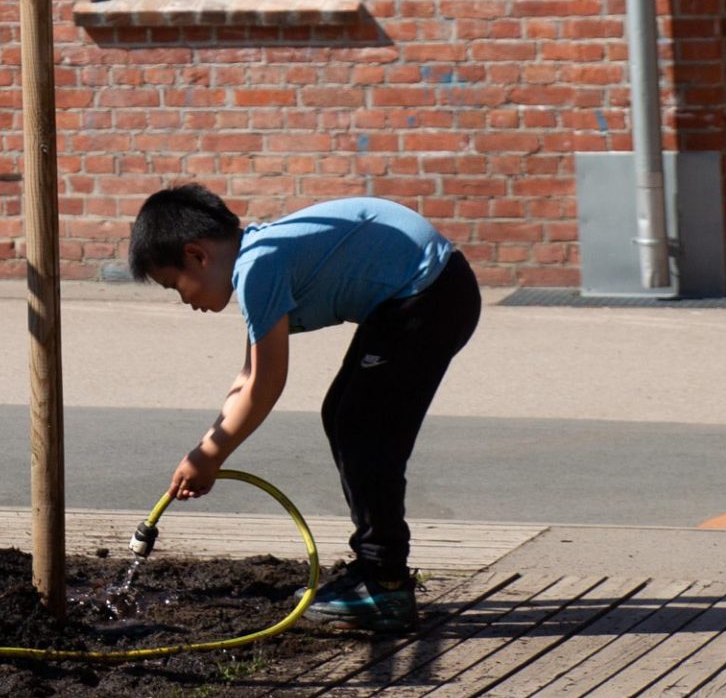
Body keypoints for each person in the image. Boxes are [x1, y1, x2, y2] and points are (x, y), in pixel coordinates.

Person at [129, 181, 481, 636]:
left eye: (174, 285)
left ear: (197, 255)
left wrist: (210, 456)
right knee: (345, 416)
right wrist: (204, 449)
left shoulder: (259, 266)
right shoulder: (261, 255)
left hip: (429, 296)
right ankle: (377, 569)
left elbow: (266, 384)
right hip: (425, 291)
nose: (184, 300)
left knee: (362, 427)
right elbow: (249, 375)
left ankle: (385, 582)